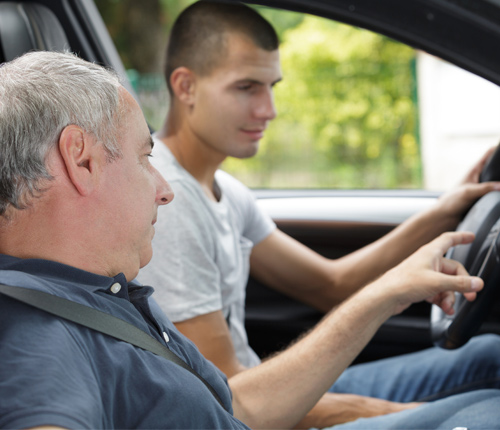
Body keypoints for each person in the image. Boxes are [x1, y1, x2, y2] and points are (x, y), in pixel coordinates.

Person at [0, 50, 500, 430]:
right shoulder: (37, 343)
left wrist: (388, 292)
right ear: (81, 159)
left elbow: (241, 406)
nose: (164, 188)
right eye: (143, 156)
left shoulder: (102, 292)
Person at [138, 1, 500, 428]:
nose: (268, 109)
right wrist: (400, 415)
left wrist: (442, 212)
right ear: (186, 87)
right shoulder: (170, 201)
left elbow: (331, 284)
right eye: (247, 87)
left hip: (271, 390)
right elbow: (228, 402)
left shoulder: (227, 191)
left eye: (272, 86)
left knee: (489, 355)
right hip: (250, 413)